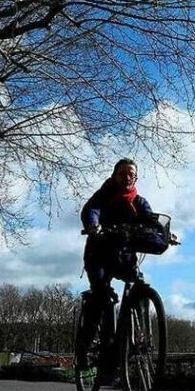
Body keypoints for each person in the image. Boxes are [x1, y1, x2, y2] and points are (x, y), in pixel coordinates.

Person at [78, 158, 165, 379]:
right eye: (123, 173)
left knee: (139, 285)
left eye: (131, 174)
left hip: (123, 256)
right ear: (115, 175)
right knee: (101, 295)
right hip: (98, 255)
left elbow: (151, 220)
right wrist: (92, 225)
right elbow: (92, 209)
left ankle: (137, 336)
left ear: (135, 178)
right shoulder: (104, 195)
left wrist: (164, 234)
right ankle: (84, 350)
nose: (127, 177)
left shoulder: (139, 201)